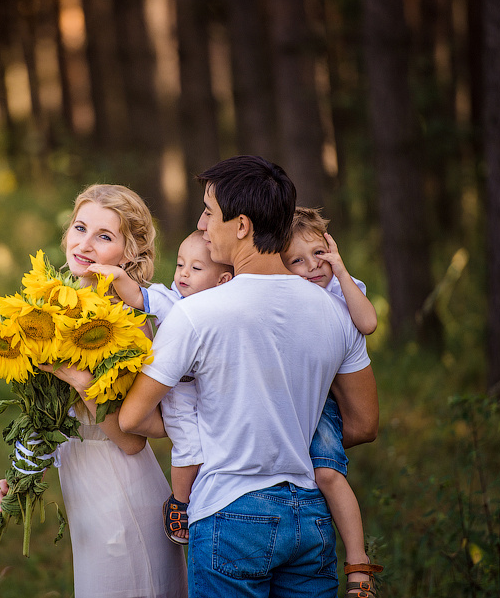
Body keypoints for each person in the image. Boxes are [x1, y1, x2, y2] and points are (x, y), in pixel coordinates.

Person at [117, 155, 380, 598]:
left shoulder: (197, 315)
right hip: (311, 518)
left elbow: (132, 419)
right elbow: (362, 425)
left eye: (208, 212)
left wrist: (214, 431)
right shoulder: (336, 314)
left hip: (229, 513)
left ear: (241, 226)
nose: (202, 226)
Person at [0, 184, 187, 598]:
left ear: (129, 253)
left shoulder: (128, 322)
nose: (85, 243)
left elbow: (133, 440)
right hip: (84, 492)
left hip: (120, 492)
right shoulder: (55, 308)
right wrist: (24, 471)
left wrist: (82, 381)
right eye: (80, 228)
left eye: (104, 236)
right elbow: (48, 414)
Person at [88, 230, 234, 545]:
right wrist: (116, 276)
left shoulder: (225, 311)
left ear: (222, 280)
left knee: (216, 447)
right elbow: (139, 296)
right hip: (179, 395)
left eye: (196, 269)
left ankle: (208, 495)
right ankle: (180, 502)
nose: (182, 273)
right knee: (189, 447)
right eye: (181, 264)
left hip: (214, 395)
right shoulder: (172, 301)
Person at [283, 206, 383, 596]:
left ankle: (358, 566)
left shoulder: (342, 287)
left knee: (326, 473)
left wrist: (340, 270)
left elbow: (369, 323)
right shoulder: (286, 295)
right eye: (297, 260)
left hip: (323, 399)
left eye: (319, 255)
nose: (312, 267)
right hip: (291, 397)